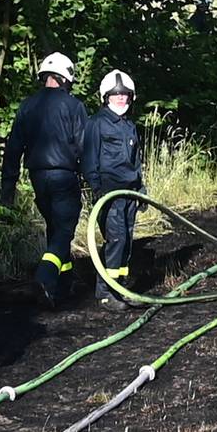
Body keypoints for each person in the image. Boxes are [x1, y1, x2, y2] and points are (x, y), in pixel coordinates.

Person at [1, 53, 92, 305]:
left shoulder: (27, 106)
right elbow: (85, 146)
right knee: (64, 230)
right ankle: (45, 275)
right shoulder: (74, 106)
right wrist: (93, 180)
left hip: (37, 176)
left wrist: (8, 187)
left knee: (54, 227)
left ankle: (61, 285)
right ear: (66, 78)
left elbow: (13, 148)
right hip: (64, 175)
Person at [83, 70, 147, 310]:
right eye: (116, 94)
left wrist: (141, 189)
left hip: (130, 193)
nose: (121, 99)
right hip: (109, 194)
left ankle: (120, 287)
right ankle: (105, 293)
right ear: (106, 96)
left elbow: (136, 160)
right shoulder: (96, 124)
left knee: (126, 241)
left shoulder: (129, 126)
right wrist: (97, 188)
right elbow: (89, 159)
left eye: (125, 95)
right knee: (115, 240)